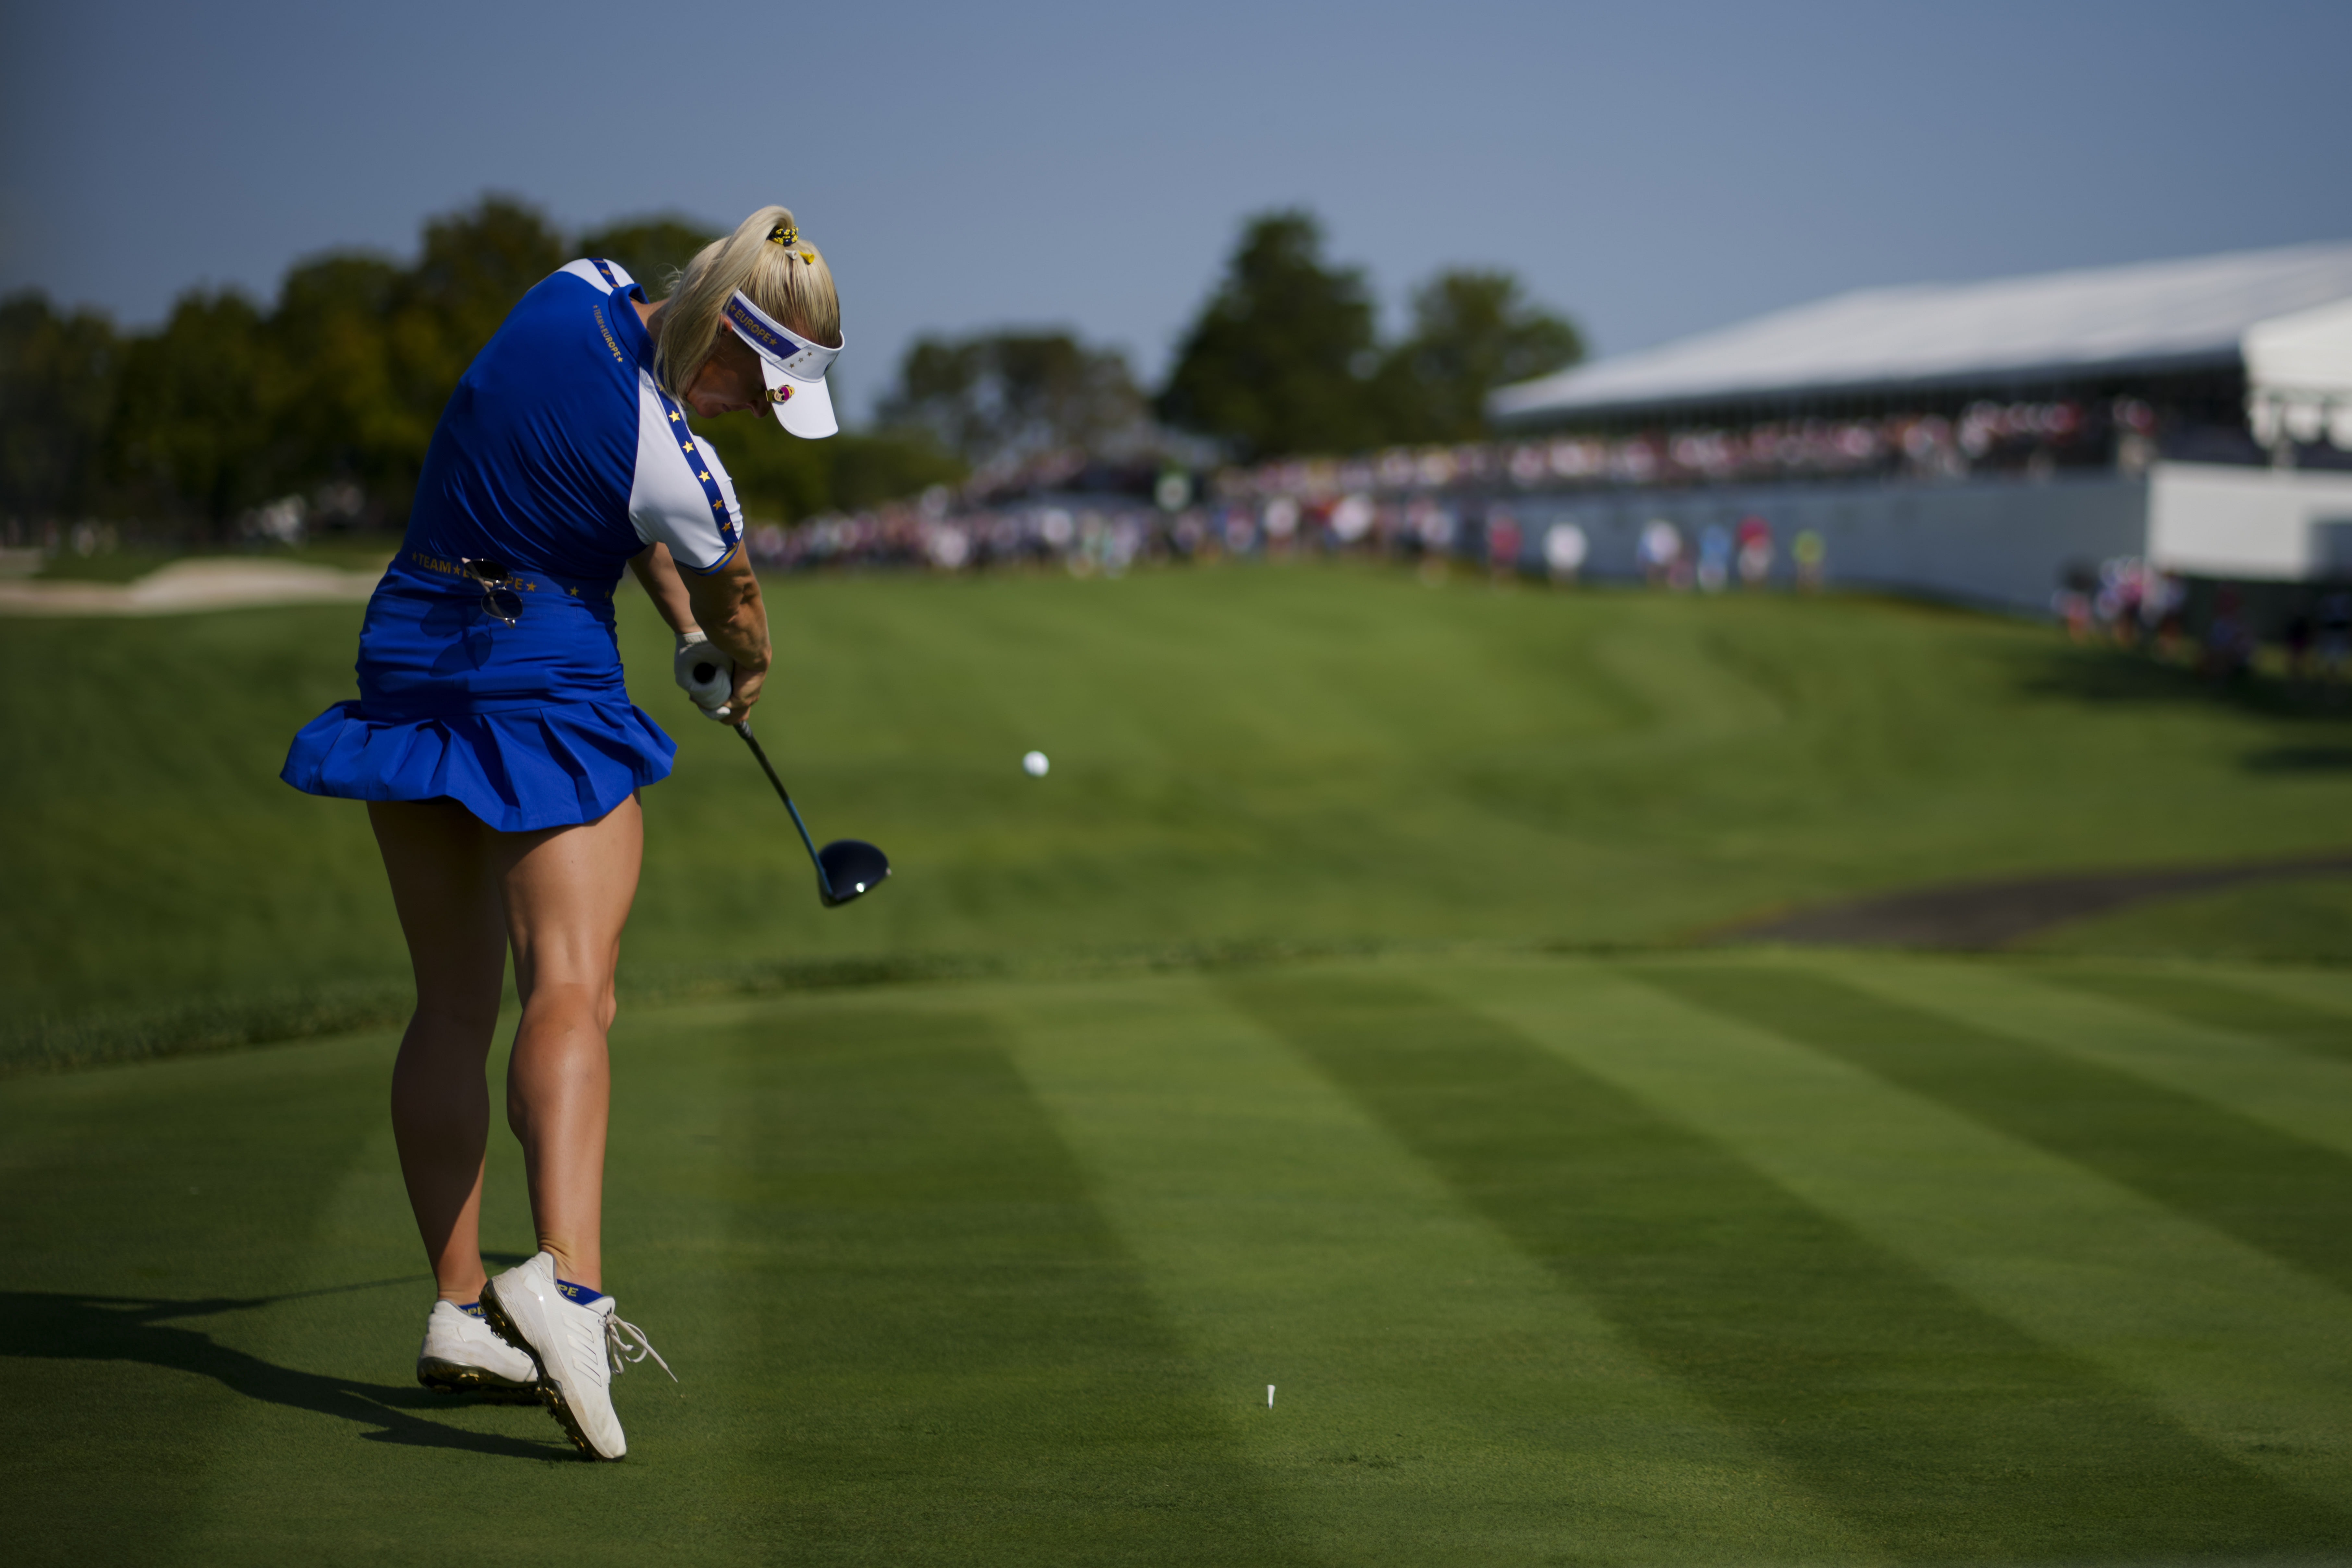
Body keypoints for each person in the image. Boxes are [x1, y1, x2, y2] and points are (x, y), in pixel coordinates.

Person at [280, 206, 844, 1460]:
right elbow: (735, 594)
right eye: (761, 392)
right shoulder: (688, 463)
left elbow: (595, 487)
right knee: (573, 989)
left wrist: (665, 614)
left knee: (448, 1005)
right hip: (542, 674)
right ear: (731, 350)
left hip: (410, 645)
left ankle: (460, 1309)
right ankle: (570, 1286)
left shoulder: (570, 287)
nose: (754, 415)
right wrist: (738, 662)